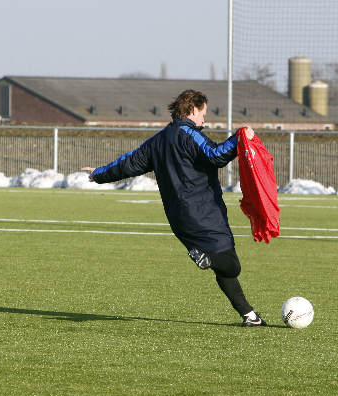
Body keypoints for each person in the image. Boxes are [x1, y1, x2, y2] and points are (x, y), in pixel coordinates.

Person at [82, 89, 267, 327]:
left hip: (178, 219)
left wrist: (99, 175)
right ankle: (208, 259)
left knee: (222, 266)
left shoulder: (158, 140)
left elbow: (128, 163)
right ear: (192, 110)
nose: (204, 120)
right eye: (203, 114)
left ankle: (249, 316)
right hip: (204, 213)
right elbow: (216, 155)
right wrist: (239, 137)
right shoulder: (189, 134)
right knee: (231, 264)